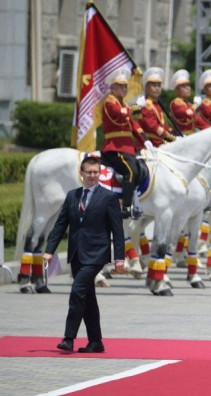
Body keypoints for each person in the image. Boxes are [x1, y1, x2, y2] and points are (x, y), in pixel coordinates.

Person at [44, 156, 125, 354]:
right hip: (77, 254)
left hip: (97, 253)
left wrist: (120, 258)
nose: (92, 175)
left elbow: (118, 230)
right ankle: (96, 342)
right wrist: (49, 250)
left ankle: (68, 338)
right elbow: (60, 225)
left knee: (77, 291)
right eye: (88, 172)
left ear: (100, 174)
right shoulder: (72, 196)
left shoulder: (108, 197)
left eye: (95, 172)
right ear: (81, 173)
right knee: (88, 299)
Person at [100, 67, 151, 219]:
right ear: (113, 87)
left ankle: (137, 201)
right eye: (120, 86)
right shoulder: (109, 101)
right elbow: (120, 114)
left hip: (128, 148)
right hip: (115, 147)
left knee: (141, 170)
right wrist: (137, 107)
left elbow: (134, 126)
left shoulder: (123, 105)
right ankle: (125, 207)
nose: (124, 89)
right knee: (131, 172)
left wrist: (146, 140)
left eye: (125, 86)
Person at [138, 67, 176, 147]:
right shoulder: (147, 104)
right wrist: (171, 138)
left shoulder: (156, 104)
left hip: (159, 141)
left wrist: (171, 131)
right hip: (150, 143)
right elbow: (153, 126)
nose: (157, 88)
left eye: (159, 85)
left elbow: (162, 124)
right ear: (146, 87)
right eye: (153, 85)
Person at [169, 69, 199, 135]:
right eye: (183, 86)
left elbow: (198, 121)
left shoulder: (188, 104)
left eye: (188, 85)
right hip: (182, 136)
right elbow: (187, 113)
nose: (187, 88)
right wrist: (196, 105)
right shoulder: (176, 102)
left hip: (191, 135)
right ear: (177, 89)